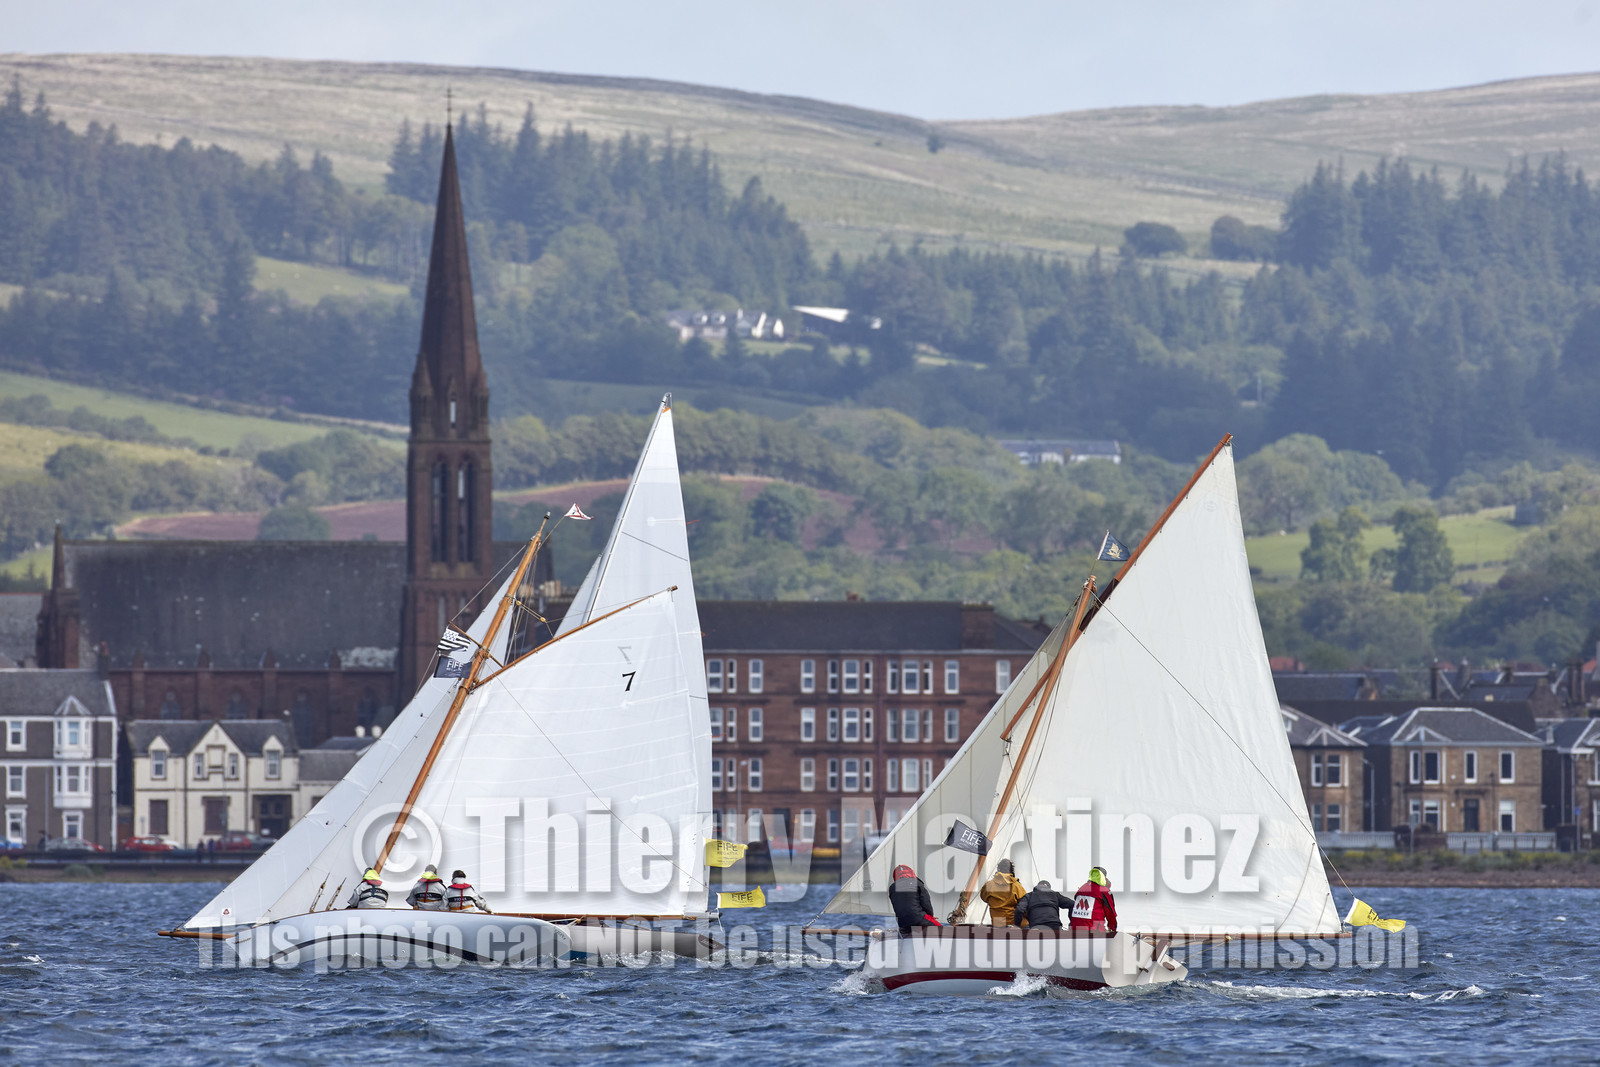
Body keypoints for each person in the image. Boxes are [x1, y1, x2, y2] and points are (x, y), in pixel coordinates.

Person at [888, 864, 943, 936]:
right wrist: (930, 917)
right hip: (919, 920)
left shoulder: (892, 888)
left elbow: (900, 907)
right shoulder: (917, 883)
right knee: (942, 930)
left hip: (903, 925)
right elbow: (926, 904)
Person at [1068, 866, 1118, 933]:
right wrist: (1112, 930)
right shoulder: (1104, 891)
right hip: (1093, 932)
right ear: (1104, 878)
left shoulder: (1081, 889)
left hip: (1074, 930)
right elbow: (1111, 914)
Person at [978, 858, 1026, 927]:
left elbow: (984, 898)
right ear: (1011, 870)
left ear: (998, 869)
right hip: (1012, 924)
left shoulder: (989, 885)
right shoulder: (1016, 886)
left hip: (996, 924)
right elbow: (1024, 904)